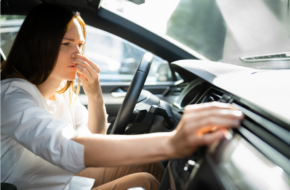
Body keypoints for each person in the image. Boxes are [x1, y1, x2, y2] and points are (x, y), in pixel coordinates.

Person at [0, 3, 244, 190]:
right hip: (38, 185)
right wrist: (171, 142)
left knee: (149, 166)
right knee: (145, 180)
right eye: (66, 43)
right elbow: (68, 146)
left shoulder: (61, 91)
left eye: (81, 45)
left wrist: (94, 93)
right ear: (36, 44)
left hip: (62, 178)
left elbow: (93, 139)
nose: (78, 53)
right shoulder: (12, 96)